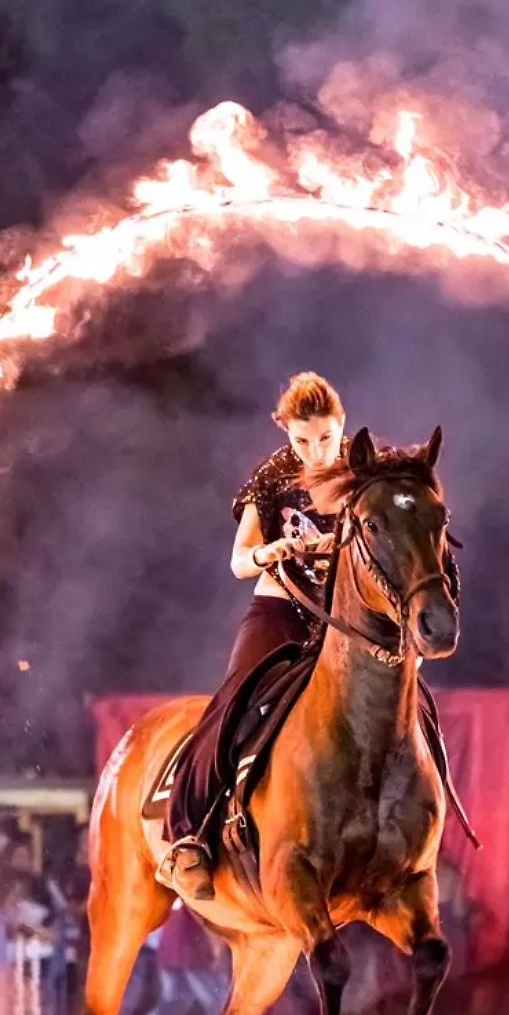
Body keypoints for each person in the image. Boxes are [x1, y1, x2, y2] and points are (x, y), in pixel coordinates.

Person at [162, 371, 348, 901]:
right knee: (235, 701)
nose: (314, 451)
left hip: (341, 618)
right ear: (286, 434)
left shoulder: (365, 473)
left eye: (325, 438)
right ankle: (188, 836)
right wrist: (270, 553)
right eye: (301, 440)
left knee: (399, 694)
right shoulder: (273, 477)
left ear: (342, 427)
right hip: (279, 606)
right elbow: (239, 560)